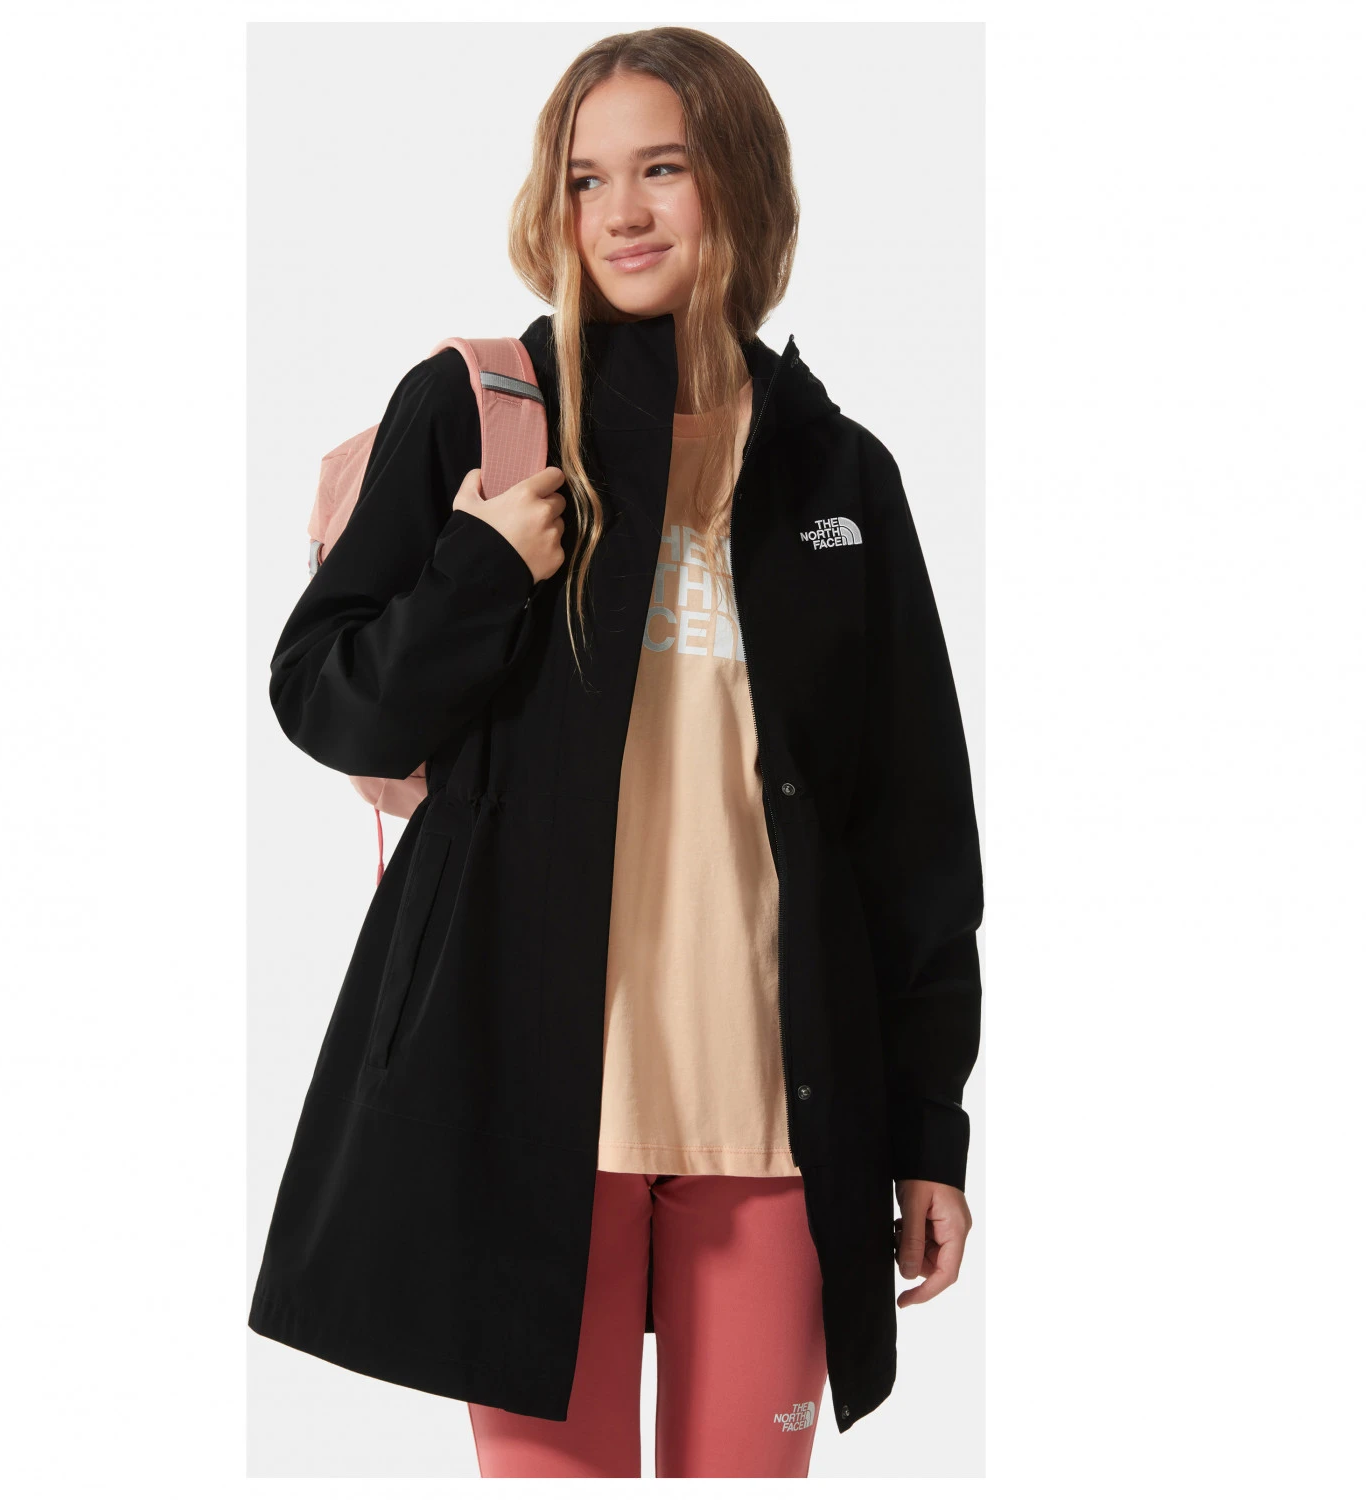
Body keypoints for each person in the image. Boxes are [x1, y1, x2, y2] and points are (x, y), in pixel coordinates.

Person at [250, 26, 982, 1480]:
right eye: (588, 178)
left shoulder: (839, 470)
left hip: (777, 1121)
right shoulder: (485, 414)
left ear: (741, 184)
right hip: (527, 1112)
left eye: (664, 169)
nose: (622, 213)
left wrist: (929, 1133)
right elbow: (327, 701)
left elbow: (914, 837)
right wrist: (475, 571)